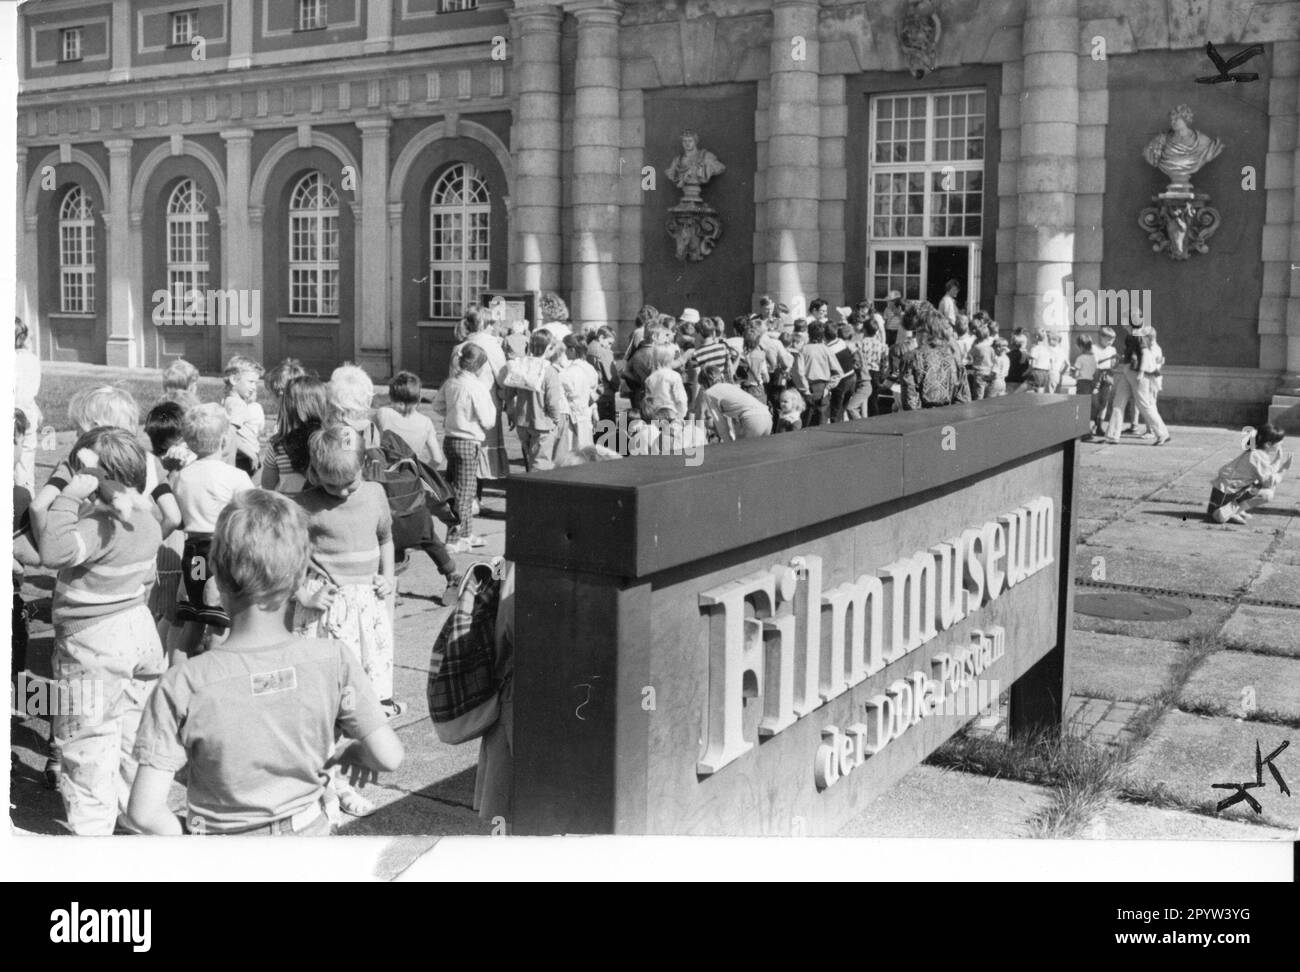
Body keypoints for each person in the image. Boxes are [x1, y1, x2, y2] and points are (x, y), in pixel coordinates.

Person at [129, 490, 403, 835]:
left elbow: (143, 812)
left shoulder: (183, 683)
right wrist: (351, 756)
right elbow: (389, 756)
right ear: (300, 574)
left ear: (215, 571)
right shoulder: (333, 660)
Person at [35, 427, 165, 835]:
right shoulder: (146, 520)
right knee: (131, 732)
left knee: (88, 740)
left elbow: (53, 552)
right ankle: (134, 813)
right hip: (138, 630)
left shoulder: (95, 527)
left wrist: (70, 496)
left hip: (93, 642)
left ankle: (92, 832)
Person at [292, 423, 401, 782]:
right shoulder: (304, 506)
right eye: (329, 483)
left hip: (367, 607)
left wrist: (389, 577)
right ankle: (326, 778)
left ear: (363, 468)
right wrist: (304, 594)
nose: (340, 491)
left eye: (349, 482)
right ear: (313, 473)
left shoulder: (373, 494)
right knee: (327, 697)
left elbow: (385, 537)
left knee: (363, 696)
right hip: (329, 611)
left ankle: (352, 769)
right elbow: (288, 557)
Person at [172, 404, 256, 659]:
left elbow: (178, 517)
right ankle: (215, 673)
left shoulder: (181, 477)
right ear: (223, 439)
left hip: (194, 553)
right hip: (221, 552)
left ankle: (177, 673)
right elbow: (250, 514)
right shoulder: (235, 475)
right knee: (219, 621)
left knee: (194, 618)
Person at [434, 344, 496, 552]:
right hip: (469, 440)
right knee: (465, 491)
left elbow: (437, 405)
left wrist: (453, 415)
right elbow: (488, 420)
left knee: (456, 488)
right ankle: (456, 537)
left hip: (450, 438)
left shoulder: (451, 382)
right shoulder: (477, 387)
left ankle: (466, 533)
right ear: (479, 367)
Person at [504, 330, 569, 471]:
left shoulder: (521, 365)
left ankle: (530, 487)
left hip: (522, 421)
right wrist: (556, 419)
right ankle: (538, 491)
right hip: (542, 423)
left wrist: (511, 411)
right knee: (540, 463)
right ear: (549, 348)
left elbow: (509, 393)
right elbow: (552, 401)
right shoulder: (549, 371)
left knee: (529, 458)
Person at [1206, 425, 1291, 525]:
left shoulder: (1256, 452)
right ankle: (1231, 511)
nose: (1281, 445)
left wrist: (1277, 460)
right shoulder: (1258, 456)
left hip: (1222, 494)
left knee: (1257, 485)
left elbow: (1266, 473)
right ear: (1268, 444)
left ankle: (1233, 509)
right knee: (1268, 494)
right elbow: (1269, 482)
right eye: (1280, 443)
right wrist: (1284, 469)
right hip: (1227, 495)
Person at [262, 375, 329, 496]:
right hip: (321, 511)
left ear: (288, 407)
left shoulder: (278, 446)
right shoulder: (329, 443)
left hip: (289, 511)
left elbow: (267, 485)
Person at [1103, 333, 1171, 446]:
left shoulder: (1138, 335)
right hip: (1128, 371)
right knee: (1118, 402)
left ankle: (1162, 434)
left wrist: (1141, 372)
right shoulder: (1130, 335)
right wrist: (1123, 358)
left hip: (1137, 373)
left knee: (1144, 404)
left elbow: (1144, 353)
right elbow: (1134, 354)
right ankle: (1112, 435)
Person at [900, 308, 971, 410]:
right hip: (950, 420)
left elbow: (910, 401)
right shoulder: (954, 359)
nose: (916, 336)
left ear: (923, 332)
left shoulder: (911, 358)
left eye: (917, 331)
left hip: (923, 421)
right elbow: (964, 399)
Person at [375, 371, 445, 468]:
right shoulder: (426, 423)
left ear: (391, 397)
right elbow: (437, 459)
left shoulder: (383, 414)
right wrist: (420, 474)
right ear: (418, 398)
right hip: (411, 476)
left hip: (385, 476)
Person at [699, 364, 773, 441]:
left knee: (741, 452)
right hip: (767, 417)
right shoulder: (731, 386)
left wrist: (728, 441)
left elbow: (720, 422)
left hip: (752, 420)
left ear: (705, 382)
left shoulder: (709, 393)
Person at [793, 321, 844, 427]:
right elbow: (839, 372)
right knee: (822, 421)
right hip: (823, 387)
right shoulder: (826, 349)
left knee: (806, 421)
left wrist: (805, 390)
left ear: (808, 333)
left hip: (807, 386)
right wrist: (828, 387)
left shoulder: (803, 350)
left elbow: (799, 372)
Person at [222, 355, 266, 477]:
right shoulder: (239, 405)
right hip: (244, 457)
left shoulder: (227, 400)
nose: (254, 387)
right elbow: (230, 433)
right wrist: (250, 454)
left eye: (255, 383)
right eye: (251, 382)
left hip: (236, 455)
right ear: (234, 380)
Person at [558, 334, 600, 456]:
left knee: (573, 449)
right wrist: (594, 410)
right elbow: (593, 394)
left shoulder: (567, 372)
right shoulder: (590, 368)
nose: (564, 353)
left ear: (572, 350)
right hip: (586, 412)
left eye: (565, 349)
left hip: (572, 415)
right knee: (586, 446)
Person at [14, 317, 42, 494]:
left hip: (18, 414)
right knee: (26, 467)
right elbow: (28, 391)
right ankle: (25, 502)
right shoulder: (31, 359)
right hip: (27, 414)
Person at [586, 326, 620, 424]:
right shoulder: (604, 352)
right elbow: (612, 377)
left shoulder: (589, 348)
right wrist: (617, 386)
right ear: (601, 337)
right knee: (608, 430)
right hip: (605, 394)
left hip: (592, 393)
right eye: (609, 343)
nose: (609, 347)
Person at [1092, 326, 1118, 437]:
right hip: (1096, 374)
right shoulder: (1094, 348)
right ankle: (1091, 424)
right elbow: (1094, 363)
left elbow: (1113, 365)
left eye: (1112, 340)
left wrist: (1115, 362)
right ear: (1101, 337)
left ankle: (1099, 425)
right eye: (1108, 339)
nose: (1110, 342)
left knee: (1105, 401)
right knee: (1095, 401)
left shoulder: (1112, 350)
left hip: (1108, 375)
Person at [1072, 336, 1099, 428]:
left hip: (1082, 383)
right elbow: (1096, 371)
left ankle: (1081, 427)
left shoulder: (1080, 358)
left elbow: (1076, 373)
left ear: (1081, 347)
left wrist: (1074, 373)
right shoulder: (1094, 358)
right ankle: (1090, 426)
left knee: (1082, 405)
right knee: (1091, 405)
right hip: (1092, 382)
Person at [967, 322, 995, 400]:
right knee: (987, 394)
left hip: (979, 372)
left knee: (978, 394)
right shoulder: (991, 348)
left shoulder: (977, 347)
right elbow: (993, 359)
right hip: (989, 372)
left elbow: (969, 355)